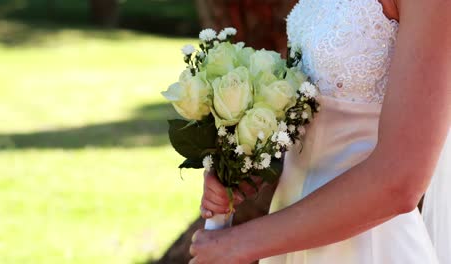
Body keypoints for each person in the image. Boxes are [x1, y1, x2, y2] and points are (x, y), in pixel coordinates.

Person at [189, 0, 451, 263]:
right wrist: (250, 162)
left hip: (369, 246)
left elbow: (401, 180)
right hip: (289, 232)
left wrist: (240, 244)